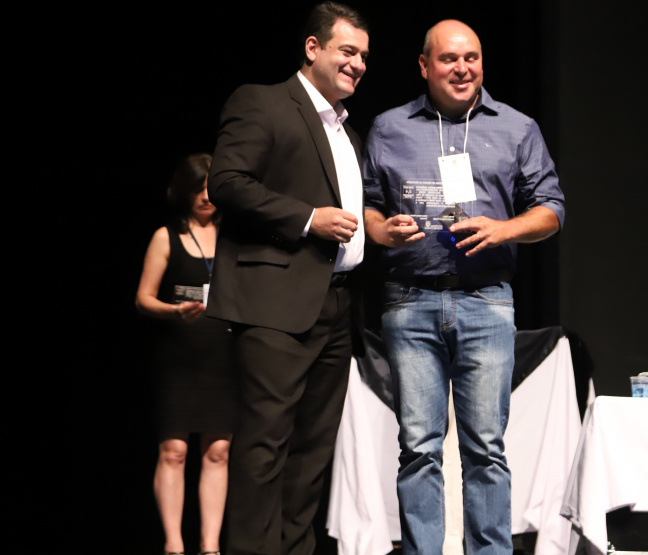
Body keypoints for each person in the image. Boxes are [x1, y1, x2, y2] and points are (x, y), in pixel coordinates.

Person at [362, 20, 565, 554]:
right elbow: (367, 204)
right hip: (410, 299)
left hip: (487, 300)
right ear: (425, 66)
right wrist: (381, 229)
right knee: (419, 448)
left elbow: (552, 210)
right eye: (449, 59)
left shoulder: (517, 127)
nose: (462, 68)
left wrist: (505, 228)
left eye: (471, 58)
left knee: (486, 450)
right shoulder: (388, 127)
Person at [205, 2, 368, 554]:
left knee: (313, 452)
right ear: (313, 48)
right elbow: (226, 181)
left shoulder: (347, 130)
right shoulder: (265, 101)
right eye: (348, 51)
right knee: (265, 447)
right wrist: (308, 218)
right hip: (273, 303)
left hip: (337, 305)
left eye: (364, 56)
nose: (358, 64)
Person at [135, 153, 236, 555]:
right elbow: (142, 299)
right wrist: (175, 310)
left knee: (218, 450)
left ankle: (210, 546)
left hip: (225, 356)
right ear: (184, 191)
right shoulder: (167, 235)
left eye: (211, 187)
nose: (206, 196)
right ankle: (174, 545)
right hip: (181, 357)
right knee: (174, 450)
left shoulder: (233, 235)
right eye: (198, 188)